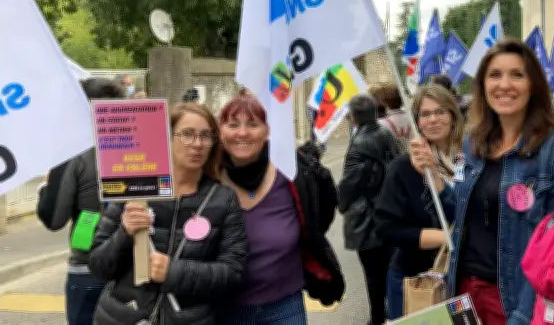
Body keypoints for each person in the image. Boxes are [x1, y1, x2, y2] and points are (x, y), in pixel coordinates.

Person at [410, 38, 554, 325]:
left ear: (533, 83)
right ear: (483, 86)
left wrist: (523, 315)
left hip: (514, 298)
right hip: (465, 291)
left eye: (516, 74)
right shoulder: (472, 144)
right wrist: (433, 176)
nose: (504, 85)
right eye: (494, 75)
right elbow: (458, 212)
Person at [89, 103, 248, 325]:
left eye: (206, 136)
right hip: (123, 316)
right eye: (187, 134)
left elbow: (233, 272)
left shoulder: (223, 199)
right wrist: (124, 232)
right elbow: (98, 266)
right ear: (166, 137)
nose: (197, 144)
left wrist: (174, 272)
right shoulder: (134, 190)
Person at [215, 93, 344, 324]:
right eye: (233, 124)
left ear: (267, 131)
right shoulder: (207, 177)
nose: (242, 132)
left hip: (284, 306)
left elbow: (319, 215)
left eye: (253, 124)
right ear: (220, 132)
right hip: (224, 309)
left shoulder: (292, 172)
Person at [35, 78, 125, 325]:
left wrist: (46, 185)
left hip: (87, 269)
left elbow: (54, 218)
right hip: (135, 268)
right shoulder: (143, 147)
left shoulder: (71, 151)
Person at [374, 84, 464, 320]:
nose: (433, 119)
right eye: (425, 114)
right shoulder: (403, 168)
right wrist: (446, 238)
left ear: (453, 116)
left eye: (440, 111)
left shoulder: (472, 161)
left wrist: (436, 176)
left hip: (463, 277)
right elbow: (386, 228)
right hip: (415, 281)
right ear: (417, 121)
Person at [338, 93, 399, 325]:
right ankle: (390, 313)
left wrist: (342, 205)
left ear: (353, 117)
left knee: (373, 274)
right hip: (389, 213)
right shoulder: (387, 134)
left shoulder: (359, 144)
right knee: (387, 270)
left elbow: (348, 185)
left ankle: (377, 319)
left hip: (367, 219)